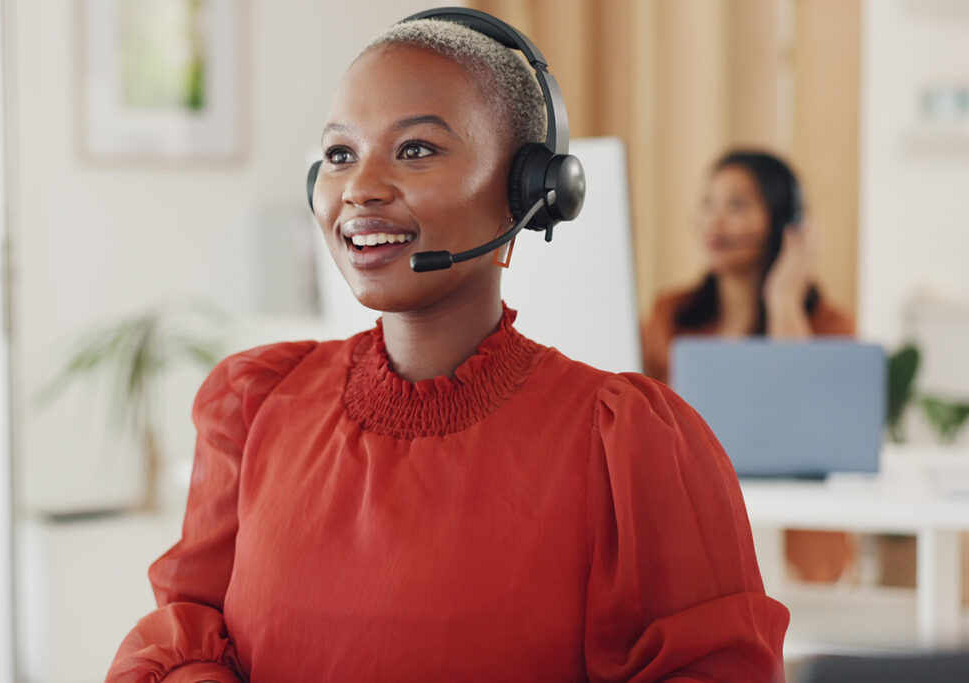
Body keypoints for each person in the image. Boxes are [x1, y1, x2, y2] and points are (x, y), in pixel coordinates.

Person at [107, 11, 787, 683]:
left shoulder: (629, 445)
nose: (361, 188)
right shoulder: (253, 404)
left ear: (527, 191)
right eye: (340, 154)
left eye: (416, 150)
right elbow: (187, 627)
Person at [641, 150, 856, 584]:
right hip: (695, 523)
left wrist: (783, 300)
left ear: (782, 222)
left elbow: (805, 424)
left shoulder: (827, 326)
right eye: (708, 204)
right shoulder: (672, 317)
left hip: (793, 536)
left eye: (736, 206)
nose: (714, 222)